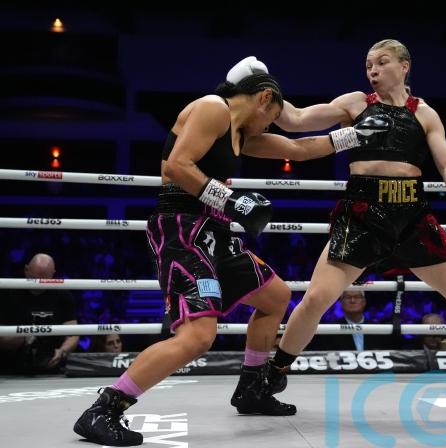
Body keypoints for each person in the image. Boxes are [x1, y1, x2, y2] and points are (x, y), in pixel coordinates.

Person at [73, 58, 384, 446]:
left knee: (275, 296)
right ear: (263, 98)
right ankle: (104, 408)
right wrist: (230, 199)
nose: (270, 126)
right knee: (198, 336)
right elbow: (177, 165)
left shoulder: (239, 132)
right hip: (182, 229)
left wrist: (355, 135)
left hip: (214, 230)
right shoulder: (212, 109)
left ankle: (252, 389)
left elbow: (297, 149)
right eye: (272, 117)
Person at [265, 39, 446, 413]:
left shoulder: (426, 114)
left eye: (381, 62)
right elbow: (295, 120)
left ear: (404, 66)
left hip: (412, 217)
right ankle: (274, 371)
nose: (373, 70)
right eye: (368, 64)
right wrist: (263, 87)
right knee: (317, 298)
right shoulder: (355, 103)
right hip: (362, 213)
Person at [0, 253, 78, 374]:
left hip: (52, 368)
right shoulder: (7, 293)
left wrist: (62, 351)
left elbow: (73, 334)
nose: (39, 283)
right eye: (35, 278)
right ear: (26, 270)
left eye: (44, 279)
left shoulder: (63, 295)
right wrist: (24, 338)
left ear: (53, 274)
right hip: (10, 369)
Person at [309, 290, 391, 351]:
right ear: (341, 302)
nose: (352, 300)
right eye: (348, 297)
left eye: (357, 297)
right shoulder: (331, 330)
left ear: (364, 302)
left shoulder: (377, 328)